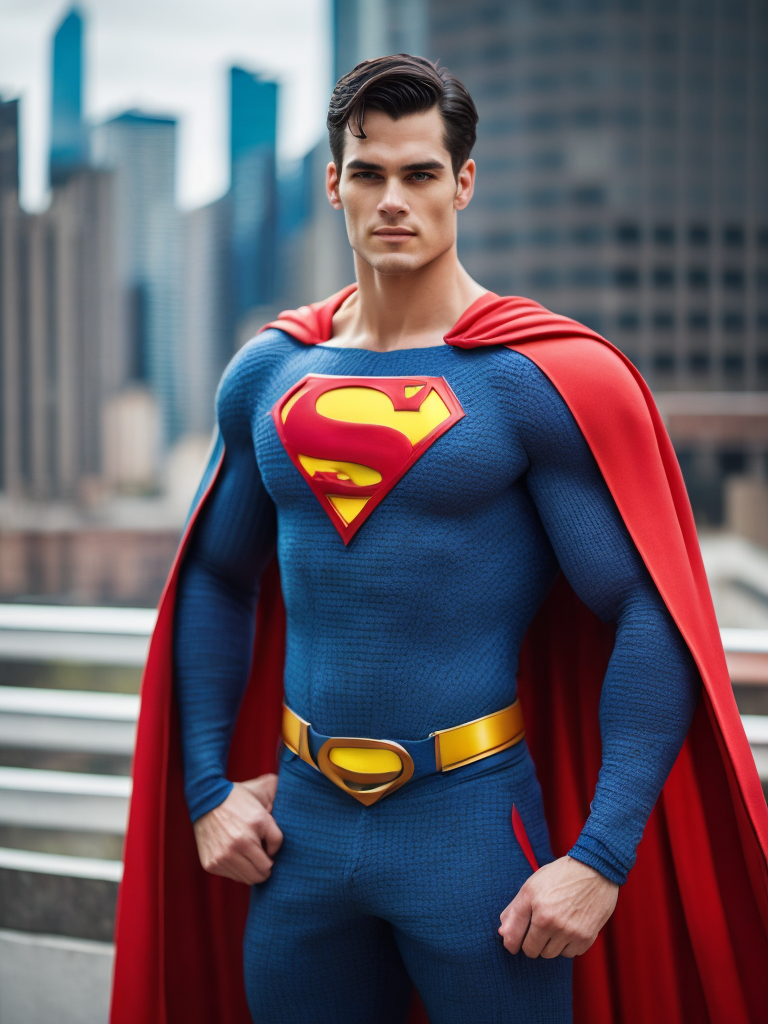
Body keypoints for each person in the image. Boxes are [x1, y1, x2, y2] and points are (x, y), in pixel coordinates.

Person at [110, 56, 768, 1024]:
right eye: (368, 172)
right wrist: (207, 786)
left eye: (420, 173)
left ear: (463, 182)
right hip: (301, 832)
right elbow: (214, 573)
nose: (392, 199)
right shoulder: (266, 369)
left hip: (470, 833)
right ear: (332, 182)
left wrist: (601, 855)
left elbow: (649, 610)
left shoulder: (539, 376)